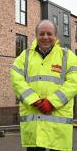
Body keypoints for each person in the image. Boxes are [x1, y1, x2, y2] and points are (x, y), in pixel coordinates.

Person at [10, 19, 77, 151]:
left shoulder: (67, 56)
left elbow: (74, 82)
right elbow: (16, 80)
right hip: (35, 124)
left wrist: (52, 102)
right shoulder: (25, 56)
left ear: (55, 36)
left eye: (49, 33)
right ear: (36, 35)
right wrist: (35, 100)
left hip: (58, 125)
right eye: (41, 34)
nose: (45, 37)